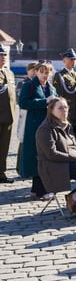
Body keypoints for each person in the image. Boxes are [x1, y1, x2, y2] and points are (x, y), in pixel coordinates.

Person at [18, 60, 58, 199]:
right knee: (37, 156)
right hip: (33, 126)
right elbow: (23, 102)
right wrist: (44, 101)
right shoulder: (29, 85)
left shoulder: (51, 87)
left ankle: (37, 189)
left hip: (48, 125)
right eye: (42, 72)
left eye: (47, 72)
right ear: (36, 72)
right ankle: (40, 189)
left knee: (45, 154)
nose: (45, 75)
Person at [52, 48, 76, 125]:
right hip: (66, 113)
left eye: (75, 59)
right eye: (71, 59)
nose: (73, 61)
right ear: (64, 61)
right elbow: (58, 95)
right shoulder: (59, 75)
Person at [0, 46, 17, 184]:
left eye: (5, 55)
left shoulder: (9, 73)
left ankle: (1, 173)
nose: (3, 57)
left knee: (4, 147)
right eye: (1, 55)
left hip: (9, 117)